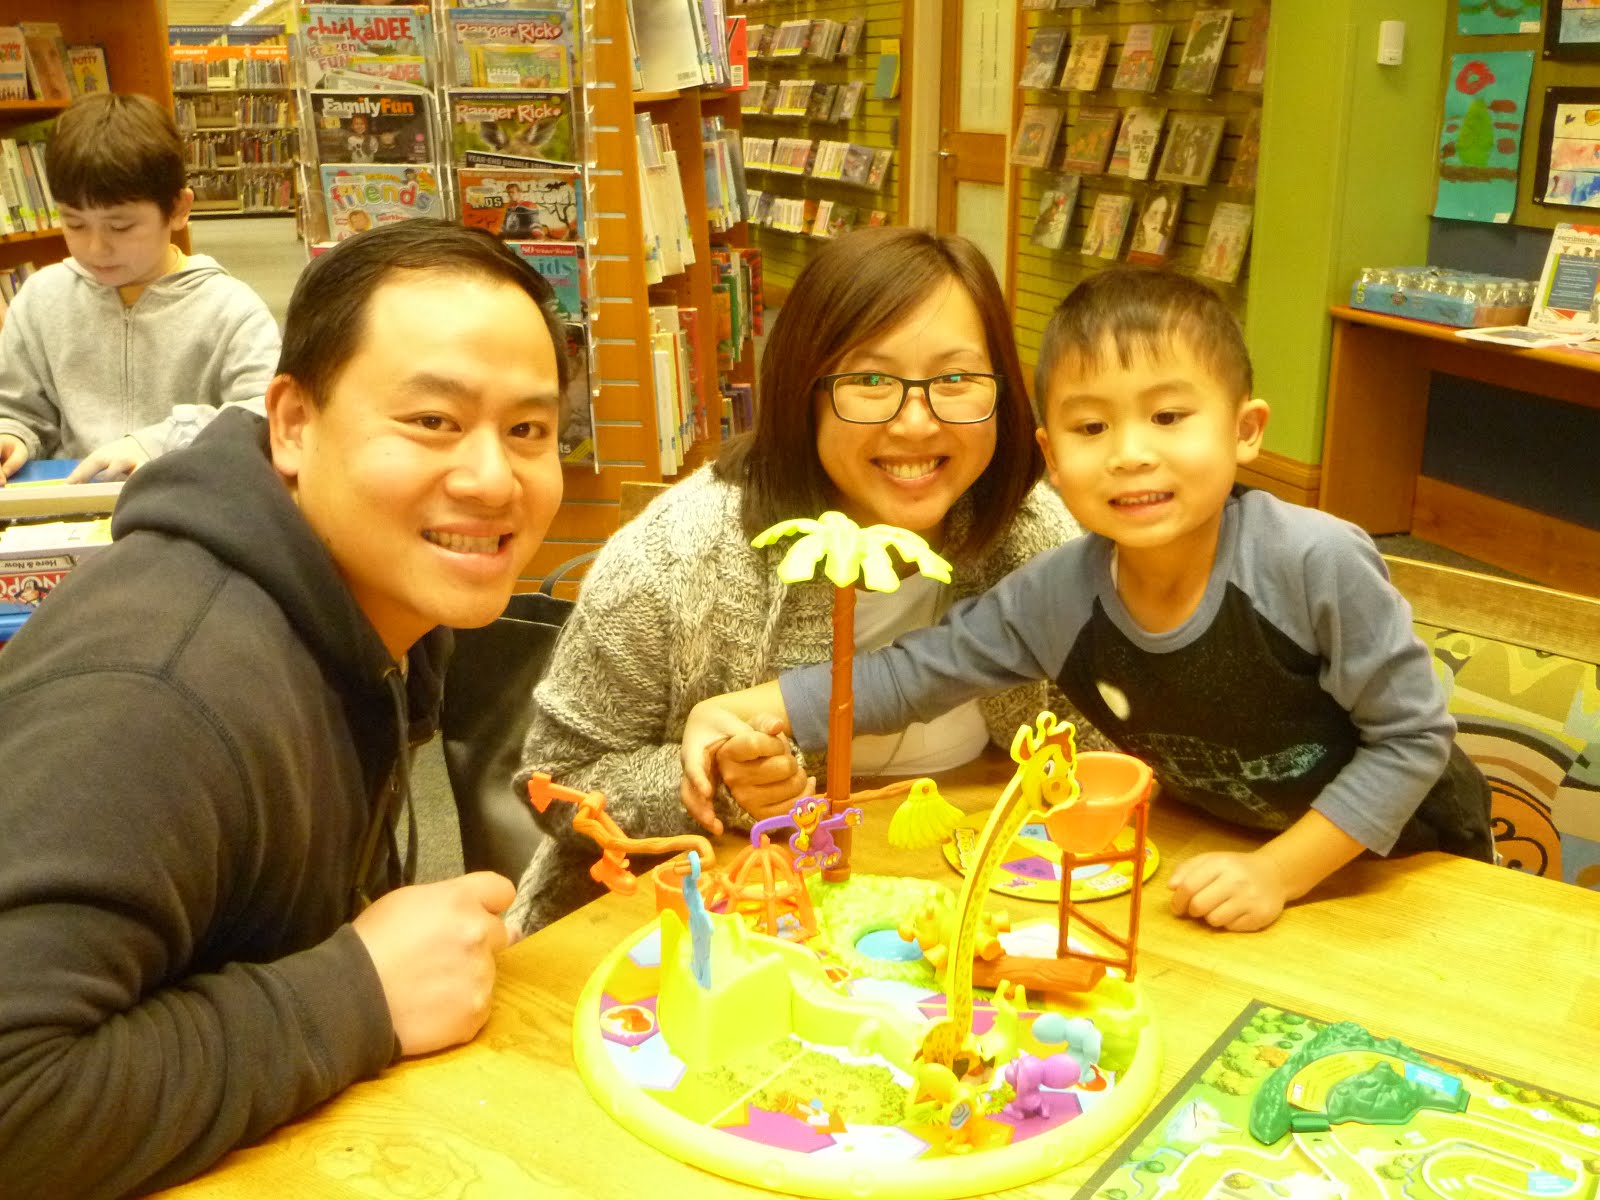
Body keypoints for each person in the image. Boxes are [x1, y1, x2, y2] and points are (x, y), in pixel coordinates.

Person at [0, 219, 568, 1198]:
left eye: (529, 430)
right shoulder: (158, 694)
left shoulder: (372, 600)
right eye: (432, 420)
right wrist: (357, 995)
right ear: (294, 425)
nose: (491, 477)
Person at [683, 268, 1494, 934]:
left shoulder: (1315, 562)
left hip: (1408, 864)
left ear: (1245, 430)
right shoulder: (1059, 593)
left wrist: (1278, 872)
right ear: (1051, 458)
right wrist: (751, 708)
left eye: (1170, 416)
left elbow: (1411, 742)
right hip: (1227, 854)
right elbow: (914, 675)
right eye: (1092, 428)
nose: (1132, 455)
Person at [507, 226, 1086, 936]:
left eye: (956, 378)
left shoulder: (1035, 539)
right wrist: (720, 786)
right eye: (870, 380)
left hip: (957, 919)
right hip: (692, 936)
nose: (916, 420)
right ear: (803, 389)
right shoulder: (676, 561)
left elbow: (1102, 751)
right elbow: (555, 782)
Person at [0, 93, 280, 486]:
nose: (96, 248)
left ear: (179, 209)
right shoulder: (41, 299)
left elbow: (267, 414)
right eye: (75, 224)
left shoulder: (230, 309)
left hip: (184, 500)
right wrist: (13, 435)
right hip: (69, 504)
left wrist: (155, 444)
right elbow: (18, 408)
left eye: (121, 227)